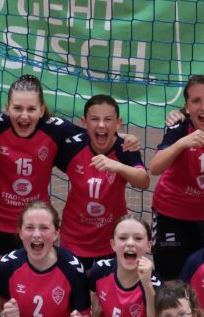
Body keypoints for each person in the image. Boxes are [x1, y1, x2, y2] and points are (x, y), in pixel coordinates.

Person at [150, 75, 204, 281]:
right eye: (196, 101)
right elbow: (155, 167)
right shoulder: (179, 127)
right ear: (187, 107)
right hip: (170, 213)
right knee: (170, 281)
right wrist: (182, 143)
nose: (203, 107)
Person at [56, 95, 149, 270]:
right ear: (84, 122)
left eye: (108, 119)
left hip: (112, 240)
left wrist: (118, 166)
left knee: (108, 287)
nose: (101, 125)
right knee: (75, 286)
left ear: (118, 122)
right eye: (94, 119)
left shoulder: (125, 148)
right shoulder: (72, 147)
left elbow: (143, 181)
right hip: (74, 239)